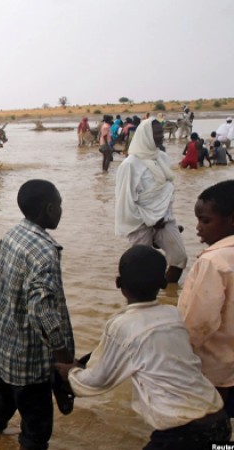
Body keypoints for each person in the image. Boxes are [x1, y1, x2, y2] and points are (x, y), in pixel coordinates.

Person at [56, 245, 230, 449]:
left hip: (182, 432)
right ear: (164, 283)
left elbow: (98, 381)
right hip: (219, 419)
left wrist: (72, 373)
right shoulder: (174, 315)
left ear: (118, 283)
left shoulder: (122, 326)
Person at [0, 179, 75, 450]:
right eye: (59, 205)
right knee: (36, 432)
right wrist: (64, 358)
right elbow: (42, 311)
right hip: (30, 363)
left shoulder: (12, 235)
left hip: (2, 348)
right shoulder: (45, 253)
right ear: (49, 209)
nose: (61, 210)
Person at [178, 180, 234, 417]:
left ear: (231, 220)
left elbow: (200, 322)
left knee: (209, 421)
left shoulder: (213, 262)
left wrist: (178, 355)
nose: (198, 228)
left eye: (205, 221)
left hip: (215, 370)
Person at [115, 118, 187, 283]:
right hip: (140, 222)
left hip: (164, 218)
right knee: (142, 267)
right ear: (146, 135)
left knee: (179, 258)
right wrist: (150, 220)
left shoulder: (162, 157)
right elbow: (125, 201)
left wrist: (161, 216)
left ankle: (167, 291)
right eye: (157, 133)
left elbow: (164, 192)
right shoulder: (130, 165)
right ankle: (145, 296)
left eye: (161, 132)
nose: (161, 136)